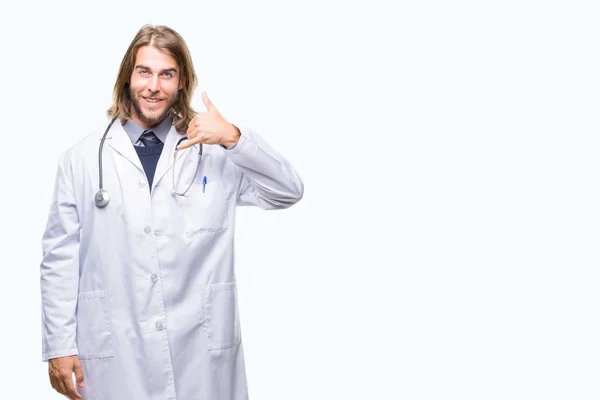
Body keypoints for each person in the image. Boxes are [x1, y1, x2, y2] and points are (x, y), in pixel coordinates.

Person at [39, 24, 303, 400]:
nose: (154, 86)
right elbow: (59, 259)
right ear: (127, 77)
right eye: (144, 71)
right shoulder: (80, 160)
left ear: (182, 82)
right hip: (117, 353)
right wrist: (59, 345)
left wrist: (232, 137)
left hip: (199, 352)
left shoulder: (213, 150)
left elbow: (287, 191)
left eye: (167, 74)